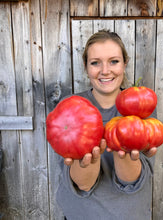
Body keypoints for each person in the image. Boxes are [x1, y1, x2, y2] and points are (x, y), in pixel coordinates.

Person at [56, 30, 157, 220]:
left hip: (130, 213)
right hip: (81, 213)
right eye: (95, 63)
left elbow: (131, 181)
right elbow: (83, 185)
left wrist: (124, 150)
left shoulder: (142, 106)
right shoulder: (70, 106)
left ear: (124, 64)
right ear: (86, 67)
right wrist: (86, 161)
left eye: (114, 61)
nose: (105, 70)